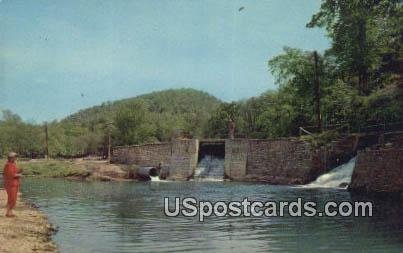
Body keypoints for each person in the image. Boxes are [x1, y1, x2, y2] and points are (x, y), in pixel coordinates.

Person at [3, 152, 21, 217]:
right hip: (11, 184)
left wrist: (18, 172)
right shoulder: (9, 165)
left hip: (13, 184)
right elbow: (11, 175)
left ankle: (9, 212)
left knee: (12, 198)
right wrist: (19, 174)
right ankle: (8, 212)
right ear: (11, 158)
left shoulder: (13, 164)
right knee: (12, 198)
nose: (15, 158)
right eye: (14, 157)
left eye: (15, 157)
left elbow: (15, 172)